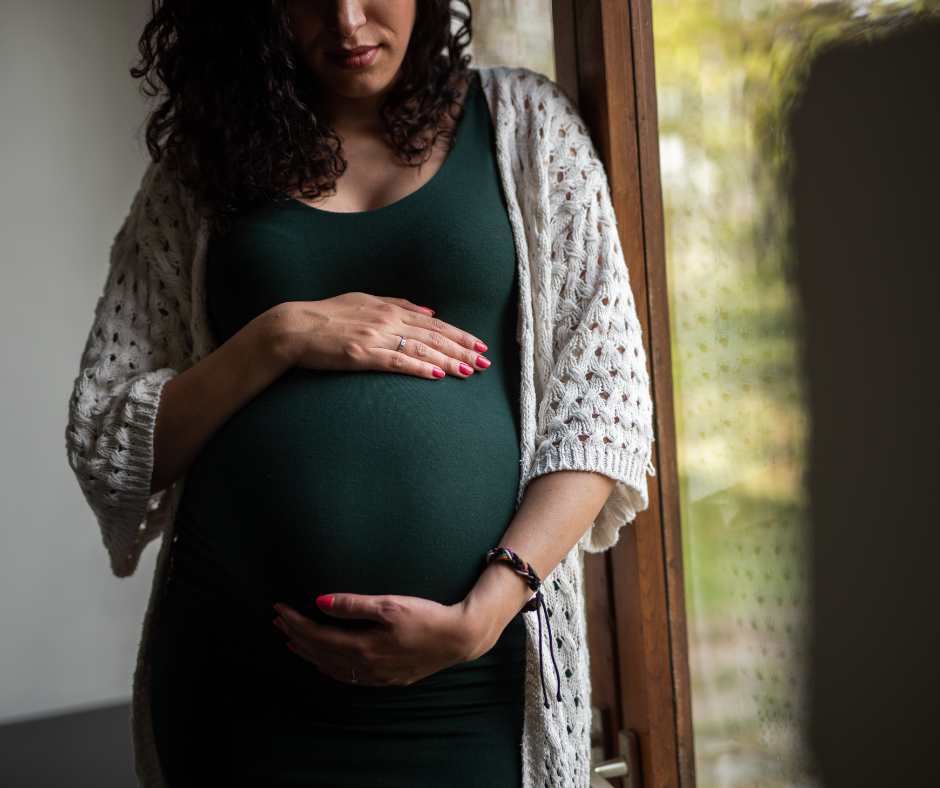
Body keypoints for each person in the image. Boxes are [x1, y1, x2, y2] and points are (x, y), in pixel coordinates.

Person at [65, 1, 655, 786]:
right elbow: (108, 435)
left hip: (469, 688)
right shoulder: (204, 166)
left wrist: (482, 617)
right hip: (241, 691)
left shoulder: (525, 124)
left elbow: (603, 407)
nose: (347, 20)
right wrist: (278, 336)